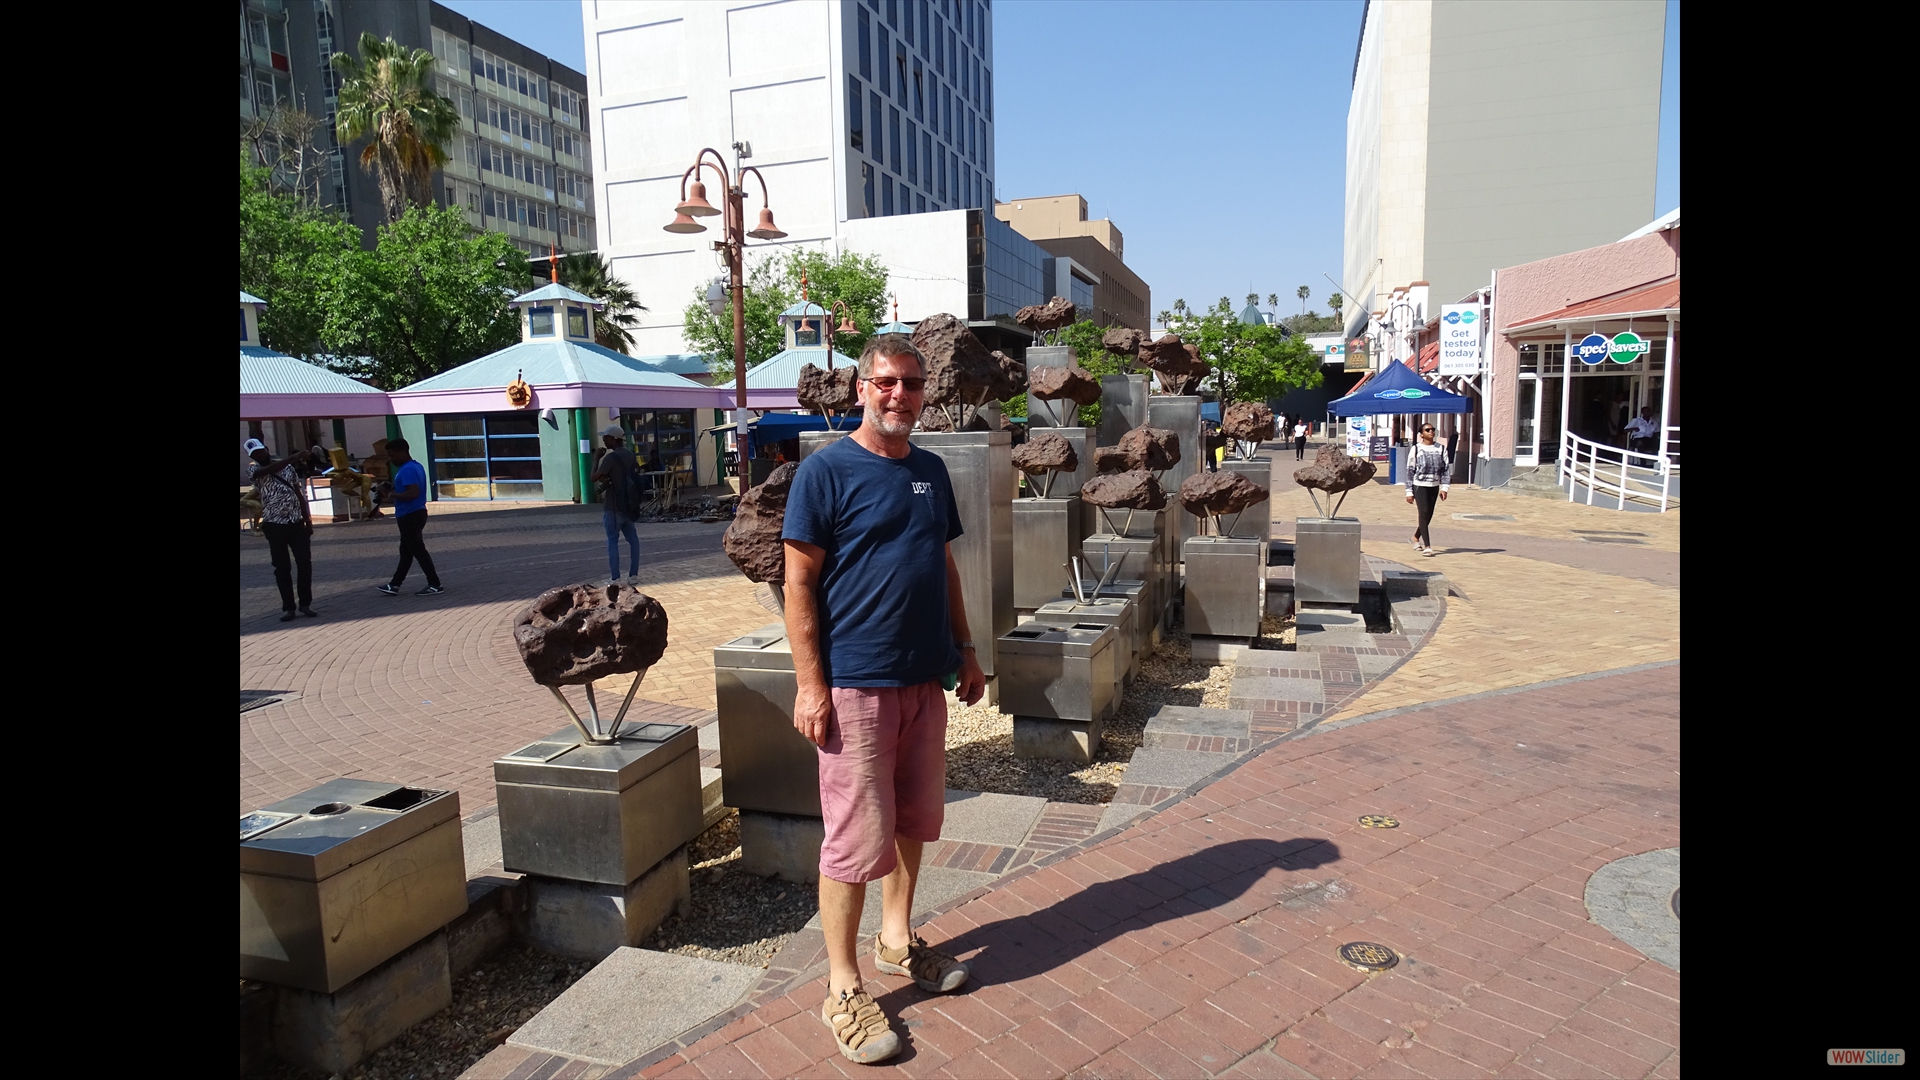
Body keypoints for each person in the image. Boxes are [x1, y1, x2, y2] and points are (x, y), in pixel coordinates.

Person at [782, 334, 986, 1065]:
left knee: (912, 822)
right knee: (850, 840)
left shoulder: (930, 470)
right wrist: (810, 685)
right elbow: (798, 584)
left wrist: (964, 648)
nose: (899, 395)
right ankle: (842, 987)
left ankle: (897, 939)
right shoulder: (827, 472)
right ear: (861, 388)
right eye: (887, 382)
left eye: (912, 384)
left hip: (923, 679)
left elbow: (943, 563)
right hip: (856, 685)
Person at [246, 438, 318, 621]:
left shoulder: (288, 468)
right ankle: (288, 607)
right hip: (274, 524)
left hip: (295, 523)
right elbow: (267, 471)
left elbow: (298, 493)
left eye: (261, 451)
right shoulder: (254, 470)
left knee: (304, 563)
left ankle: (305, 604)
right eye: (255, 454)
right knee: (282, 566)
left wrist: (307, 519)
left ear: (267, 449)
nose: (259, 455)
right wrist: (292, 458)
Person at [374, 438, 443, 596]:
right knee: (406, 552)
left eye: (392, 456)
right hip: (415, 513)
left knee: (418, 550)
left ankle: (435, 584)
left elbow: (413, 493)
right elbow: (409, 489)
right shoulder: (415, 466)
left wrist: (390, 494)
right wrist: (393, 488)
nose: (391, 460)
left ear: (402, 452)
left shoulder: (407, 470)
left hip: (410, 514)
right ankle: (395, 584)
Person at [592, 424, 642, 582]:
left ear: (614, 439)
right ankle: (633, 575)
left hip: (613, 506)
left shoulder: (610, 458)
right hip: (628, 504)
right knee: (633, 540)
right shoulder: (631, 456)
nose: (603, 441)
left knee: (612, 541)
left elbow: (593, 477)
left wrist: (596, 459)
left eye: (605, 438)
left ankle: (615, 578)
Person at [1404, 423, 1449, 557]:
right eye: (1427, 430)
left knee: (1428, 515)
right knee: (1423, 512)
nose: (1431, 432)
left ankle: (1415, 537)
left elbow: (1446, 469)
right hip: (1419, 485)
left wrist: (1445, 487)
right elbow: (1410, 471)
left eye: (1433, 429)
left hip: (1434, 486)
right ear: (1421, 434)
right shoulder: (1416, 449)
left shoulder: (1441, 448)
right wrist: (1409, 491)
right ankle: (1428, 546)